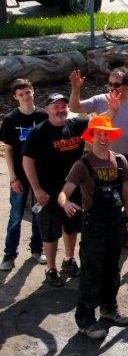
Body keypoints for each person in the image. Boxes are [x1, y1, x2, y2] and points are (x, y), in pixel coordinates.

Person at [57, 116, 128, 339]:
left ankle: (109, 309)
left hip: (115, 224)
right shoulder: (82, 165)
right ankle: (85, 320)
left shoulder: (120, 161)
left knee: (113, 270)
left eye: (106, 134)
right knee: (92, 273)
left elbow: (126, 192)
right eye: (98, 134)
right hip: (94, 226)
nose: (103, 138)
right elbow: (63, 193)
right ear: (90, 137)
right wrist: (67, 203)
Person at [69, 67, 128, 254]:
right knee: (102, 200)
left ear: (126, 86)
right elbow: (74, 108)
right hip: (102, 160)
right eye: (109, 84)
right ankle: (104, 236)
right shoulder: (100, 100)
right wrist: (75, 89)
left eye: (116, 84)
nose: (112, 88)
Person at [23, 92, 90, 287]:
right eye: (56, 106)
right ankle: (50, 268)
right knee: (50, 232)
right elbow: (27, 161)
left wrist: (113, 108)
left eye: (63, 106)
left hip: (73, 189)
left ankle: (69, 259)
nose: (61, 109)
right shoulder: (38, 132)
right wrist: (36, 189)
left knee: (71, 226)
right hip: (48, 192)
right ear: (47, 109)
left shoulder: (76, 126)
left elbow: (101, 123)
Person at [1, 79, 47, 271]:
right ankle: (10, 254)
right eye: (21, 95)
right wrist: (13, 177)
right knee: (16, 214)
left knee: (39, 213)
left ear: (33, 92)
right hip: (19, 176)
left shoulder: (44, 115)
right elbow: (8, 150)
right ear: (15, 97)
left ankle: (37, 248)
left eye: (27, 93)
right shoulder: (11, 120)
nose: (25, 97)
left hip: (40, 175)